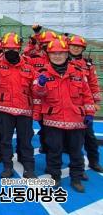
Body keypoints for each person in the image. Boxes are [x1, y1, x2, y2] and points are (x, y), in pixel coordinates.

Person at [33, 37, 95, 192]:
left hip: (76, 120)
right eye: (54, 53)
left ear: (67, 54)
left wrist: (89, 113)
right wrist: (40, 85)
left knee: (76, 152)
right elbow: (37, 94)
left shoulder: (79, 73)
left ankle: (76, 178)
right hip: (53, 120)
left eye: (61, 53)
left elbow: (87, 95)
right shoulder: (42, 73)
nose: (57, 56)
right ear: (48, 55)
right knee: (54, 151)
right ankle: (55, 176)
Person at [0, 32, 38, 178]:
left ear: (19, 49)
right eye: (7, 49)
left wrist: (40, 86)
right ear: (3, 49)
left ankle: (29, 168)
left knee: (25, 141)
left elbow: (35, 90)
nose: (11, 51)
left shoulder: (28, 67)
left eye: (14, 49)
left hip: (24, 111)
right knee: (5, 141)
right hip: (4, 110)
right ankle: (7, 166)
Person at [68, 35, 103, 174]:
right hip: (68, 106)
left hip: (84, 106)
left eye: (79, 47)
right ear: (68, 47)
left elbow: (93, 84)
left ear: (83, 49)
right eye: (73, 46)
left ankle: (94, 162)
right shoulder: (62, 62)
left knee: (90, 137)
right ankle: (78, 168)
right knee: (73, 140)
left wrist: (96, 102)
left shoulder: (88, 65)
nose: (76, 48)